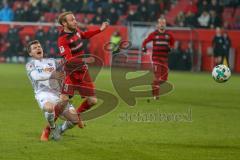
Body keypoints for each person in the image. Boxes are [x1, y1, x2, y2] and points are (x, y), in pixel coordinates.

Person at [26, 40, 81, 141]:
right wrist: (52, 75)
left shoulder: (53, 61)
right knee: (49, 108)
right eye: (35, 48)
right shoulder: (30, 65)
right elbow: (36, 76)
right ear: (30, 53)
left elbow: (66, 67)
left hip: (58, 94)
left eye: (39, 47)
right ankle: (53, 128)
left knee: (75, 120)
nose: (38, 48)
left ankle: (61, 130)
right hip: (43, 94)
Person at [57, 12, 109, 118]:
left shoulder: (76, 31)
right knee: (64, 100)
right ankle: (49, 128)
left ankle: (75, 115)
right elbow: (69, 60)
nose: (75, 21)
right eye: (72, 20)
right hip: (70, 72)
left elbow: (84, 35)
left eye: (75, 19)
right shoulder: (62, 39)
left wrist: (100, 29)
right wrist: (85, 60)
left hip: (82, 71)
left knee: (93, 100)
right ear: (64, 23)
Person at [142, 17, 174, 100]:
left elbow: (172, 43)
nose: (162, 24)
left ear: (165, 25)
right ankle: (155, 95)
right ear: (157, 25)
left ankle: (154, 85)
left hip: (165, 59)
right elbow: (145, 41)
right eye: (160, 23)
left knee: (164, 79)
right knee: (157, 77)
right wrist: (144, 48)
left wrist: (170, 48)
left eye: (163, 23)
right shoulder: (153, 34)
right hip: (156, 58)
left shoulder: (169, 35)